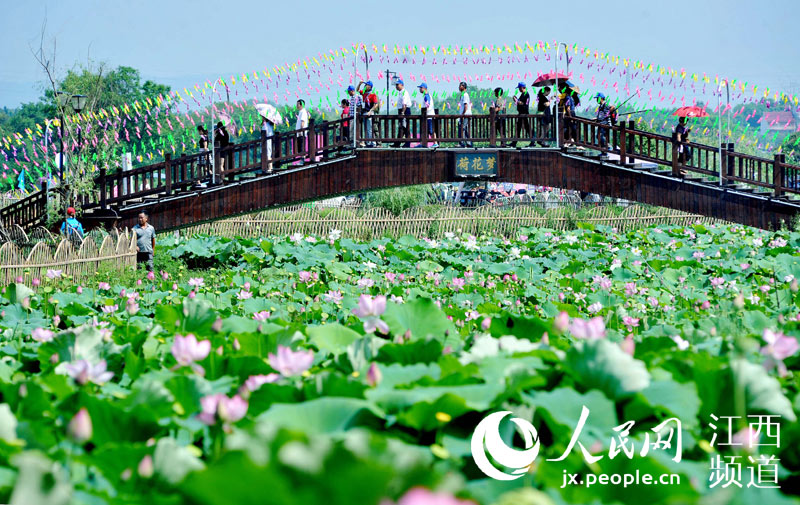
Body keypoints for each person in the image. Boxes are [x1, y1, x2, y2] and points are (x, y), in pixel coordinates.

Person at [357, 81, 380, 147]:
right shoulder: (364, 92)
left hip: (369, 112)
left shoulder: (373, 94)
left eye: (366, 85)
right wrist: (359, 84)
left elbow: (376, 104)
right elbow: (357, 90)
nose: (365, 86)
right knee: (366, 128)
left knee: (369, 128)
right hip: (364, 112)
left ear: (370, 86)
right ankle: (367, 142)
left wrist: (371, 111)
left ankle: (371, 143)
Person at [418, 83, 439, 148]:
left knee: (431, 130)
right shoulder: (426, 95)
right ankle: (423, 143)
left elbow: (428, 104)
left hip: (429, 116)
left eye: (421, 88)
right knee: (425, 130)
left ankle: (435, 143)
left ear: (424, 88)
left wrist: (425, 111)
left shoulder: (426, 96)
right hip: (428, 116)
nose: (420, 89)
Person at [511, 82, 530, 147]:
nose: (519, 89)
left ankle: (533, 141)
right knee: (519, 127)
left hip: (524, 113)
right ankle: (514, 142)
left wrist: (516, 100)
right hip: (521, 113)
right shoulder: (523, 94)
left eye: (519, 88)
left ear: (522, 87)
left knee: (526, 128)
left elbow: (522, 103)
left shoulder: (526, 94)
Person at [394, 79, 411, 147]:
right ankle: (397, 143)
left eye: (397, 85)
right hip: (402, 110)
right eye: (396, 85)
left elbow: (404, 104)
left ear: (402, 85)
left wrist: (403, 112)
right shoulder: (401, 92)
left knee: (405, 127)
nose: (396, 86)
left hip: (404, 110)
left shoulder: (404, 92)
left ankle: (406, 143)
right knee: (401, 127)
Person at [458, 82, 473, 147]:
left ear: (464, 87)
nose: (459, 87)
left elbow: (466, 106)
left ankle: (462, 143)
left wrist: (463, 115)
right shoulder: (462, 95)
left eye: (460, 86)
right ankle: (468, 143)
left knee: (462, 128)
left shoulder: (465, 95)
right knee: (465, 128)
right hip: (464, 114)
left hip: (465, 114)